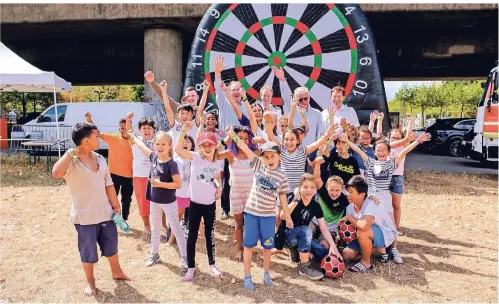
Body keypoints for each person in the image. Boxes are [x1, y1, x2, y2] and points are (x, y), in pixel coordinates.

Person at [52, 122, 130, 297]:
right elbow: (56, 173)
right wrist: (68, 154)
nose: (99, 138)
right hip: (84, 216)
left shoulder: (100, 158)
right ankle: (91, 282)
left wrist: (115, 205)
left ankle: (117, 272)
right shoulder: (72, 161)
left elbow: (108, 183)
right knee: (88, 251)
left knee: (111, 245)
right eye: (96, 136)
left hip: (105, 213)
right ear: (86, 140)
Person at [342, 131, 431, 264]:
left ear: (389, 151)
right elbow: (358, 151)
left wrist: (417, 141)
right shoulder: (370, 162)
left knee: (392, 225)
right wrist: (347, 141)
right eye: (378, 150)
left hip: (384, 197)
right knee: (371, 224)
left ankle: (393, 249)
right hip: (371, 197)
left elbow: (403, 152)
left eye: (384, 150)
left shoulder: (391, 163)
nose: (381, 152)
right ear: (374, 151)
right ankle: (378, 249)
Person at [226, 129, 293, 290]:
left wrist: (288, 216)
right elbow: (246, 147)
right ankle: (247, 275)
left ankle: (266, 272)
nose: (270, 159)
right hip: (252, 214)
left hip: (268, 217)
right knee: (248, 245)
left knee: (267, 247)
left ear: (279, 157)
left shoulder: (282, 176)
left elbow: (283, 197)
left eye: (273, 156)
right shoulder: (257, 165)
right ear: (262, 158)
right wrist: (233, 135)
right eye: (266, 156)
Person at [128, 130, 188, 269]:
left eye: (163, 144)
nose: (160, 147)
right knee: (155, 228)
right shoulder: (154, 157)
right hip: (154, 200)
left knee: (176, 230)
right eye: (157, 144)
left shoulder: (171, 164)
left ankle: (185, 258)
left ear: (169, 146)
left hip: (168, 202)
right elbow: (142, 146)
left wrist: (160, 184)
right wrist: (133, 137)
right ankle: (154, 254)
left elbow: (177, 184)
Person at [175, 121, 223, 281]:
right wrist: (183, 131)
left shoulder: (217, 163)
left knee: (209, 235)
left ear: (215, 146)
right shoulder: (195, 157)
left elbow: (216, 179)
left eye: (210, 144)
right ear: (199, 147)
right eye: (203, 145)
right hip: (194, 204)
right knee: (192, 236)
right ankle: (190, 268)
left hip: (209, 205)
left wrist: (219, 188)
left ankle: (212, 264)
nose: (207, 147)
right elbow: (177, 150)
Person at [266, 119, 336, 227]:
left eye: (292, 139)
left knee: (296, 217)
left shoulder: (304, 150)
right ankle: (276, 239)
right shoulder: (281, 150)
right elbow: (271, 137)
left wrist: (327, 135)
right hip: (283, 190)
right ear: (283, 141)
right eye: (287, 139)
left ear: (298, 140)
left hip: (298, 191)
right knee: (278, 217)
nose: (289, 142)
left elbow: (317, 144)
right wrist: (268, 122)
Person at [282, 174, 341, 280]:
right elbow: (282, 216)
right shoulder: (292, 197)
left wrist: (333, 246)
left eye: (312, 187)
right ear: (299, 188)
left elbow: (323, 228)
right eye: (305, 187)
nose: (309, 190)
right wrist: (296, 200)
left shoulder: (315, 205)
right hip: (288, 236)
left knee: (324, 253)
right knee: (305, 230)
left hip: (304, 238)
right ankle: (304, 266)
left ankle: (298, 253)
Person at [218, 126, 259, 261]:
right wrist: (225, 141)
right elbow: (212, 155)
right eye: (239, 138)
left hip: (251, 194)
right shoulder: (230, 154)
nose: (243, 141)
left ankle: (249, 247)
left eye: (246, 138)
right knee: (238, 222)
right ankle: (240, 249)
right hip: (236, 193)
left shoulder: (255, 153)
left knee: (251, 222)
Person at [84, 113, 133, 222]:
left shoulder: (134, 141)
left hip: (129, 176)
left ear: (130, 128)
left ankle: (124, 220)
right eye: (121, 128)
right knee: (111, 198)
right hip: (113, 175)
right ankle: (112, 219)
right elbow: (97, 133)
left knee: (126, 199)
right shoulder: (113, 138)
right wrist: (89, 120)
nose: (123, 130)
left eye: (125, 128)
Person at [342, 176, 397, 272]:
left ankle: (366, 262)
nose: (348, 194)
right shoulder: (350, 207)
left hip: (385, 233)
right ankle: (379, 250)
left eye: (351, 192)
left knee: (362, 230)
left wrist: (349, 217)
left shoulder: (371, 204)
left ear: (362, 194)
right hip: (367, 234)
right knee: (347, 255)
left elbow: (363, 226)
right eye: (347, 191)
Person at [125, 113, 159, 238]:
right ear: (139, 130)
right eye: (144, 128)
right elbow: (129, 131)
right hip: (140, 176)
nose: (147, 130)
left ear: (153, 129)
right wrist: (128, 119)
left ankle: (163, 225)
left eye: (149, 128)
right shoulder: (136, 140)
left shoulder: (158, 141)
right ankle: (146, 225)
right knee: (143, 203)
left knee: (160, 202)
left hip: (156, 177)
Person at [275, 66, 323, 145]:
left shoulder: (317, 114)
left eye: (305, 98)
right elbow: (286, 97)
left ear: (309, 98)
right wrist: (282, 80)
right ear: (296, 100)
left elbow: (320, 135)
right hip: (294, 152)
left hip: (311, 152)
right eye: (300, 99)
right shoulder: (292, 111)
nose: (303, 101)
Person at [213, 56, 250, 128]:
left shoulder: (246, 106)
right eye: (233, 90)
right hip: (225, 138)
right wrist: (217, 73)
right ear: (229, 92)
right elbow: (218, 88)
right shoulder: (223, 102)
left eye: (238, 89)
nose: (236, 92)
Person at [159, 80, 198, 146]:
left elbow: (201, 108)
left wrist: (205, 90)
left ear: (192, 115)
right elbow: (168, 109)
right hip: (176, 156)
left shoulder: (195, 124)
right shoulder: (175, 126)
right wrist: (163, 90)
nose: (184, 116)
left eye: (187, 114)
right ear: (177, 115)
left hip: (191, 155)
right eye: (182, 113)